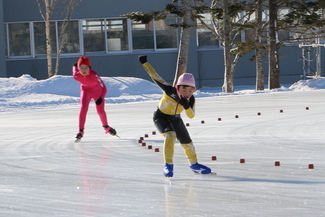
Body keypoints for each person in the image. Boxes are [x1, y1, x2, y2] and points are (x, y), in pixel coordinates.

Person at [138, 55, 212, 177]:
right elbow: (155, 76)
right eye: (184, 90)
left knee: (187, 143)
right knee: (170, 136)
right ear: (178, 87)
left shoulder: (191, 99)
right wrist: (145, 63)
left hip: (176, 119)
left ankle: (194, 165)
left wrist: (187, 106)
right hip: (161, 117)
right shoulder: (169, 90)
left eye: (190, 90)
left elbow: (191, 115)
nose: (187, 93)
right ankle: (168, 165)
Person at [72, 56, 116, 140]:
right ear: (79, 68)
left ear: (89, 68)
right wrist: (74, 66)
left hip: (97, 92)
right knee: (83, 108)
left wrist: (101, 97)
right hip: (86, 91)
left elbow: (104, 88)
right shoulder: (76, 76)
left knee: (100, 111)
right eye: (81, 68)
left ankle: (106, 126)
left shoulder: (94, 75)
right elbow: (74, 71)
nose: (84, 70)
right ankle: (80, 131)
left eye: (86, 68)